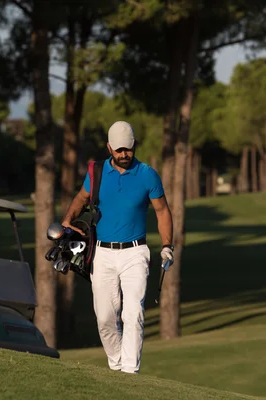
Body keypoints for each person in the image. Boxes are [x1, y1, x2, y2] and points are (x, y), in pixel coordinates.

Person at [61, 120, 174, 374]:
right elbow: (81, 198)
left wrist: (167, 245)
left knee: (133, 313)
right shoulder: (97, 173)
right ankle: (116, 366)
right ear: (109, 147)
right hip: (102, 254)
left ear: (134, 146)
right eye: (119, 149)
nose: (124, 154)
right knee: (104, 318)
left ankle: (129, 373)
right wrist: (67, 220)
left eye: (129, 149)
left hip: (135, 252)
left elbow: (162, 211)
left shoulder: (147, 174)